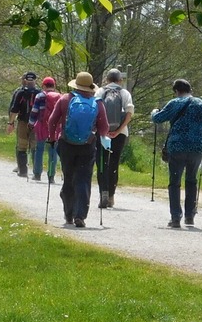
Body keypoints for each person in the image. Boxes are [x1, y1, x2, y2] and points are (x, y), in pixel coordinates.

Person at [151, 78, 202, 228]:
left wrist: (154, 111)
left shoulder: (174, 103)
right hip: (196, 149)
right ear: (190, 89)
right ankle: (190, 216)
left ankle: (175, 218)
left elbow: (158, 119)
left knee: (174, 182)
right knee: (191, 181)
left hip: (177, 147)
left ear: (176, 91)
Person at [48, 72, 109, 228]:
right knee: (83, 179)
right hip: (87, 145)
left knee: (69, 177)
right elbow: (105, 127)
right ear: (90, 87)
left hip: (66, 144)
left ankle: (68, 214)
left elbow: (52, 121)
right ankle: (80, 215)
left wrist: (52, 137)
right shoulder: (97, 103)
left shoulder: (65, 99)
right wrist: (102, 137)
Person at [97, 68, 134, 208]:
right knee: (114, 163)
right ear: (121, 80)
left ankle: (103, 193)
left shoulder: (100, 91)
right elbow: (129, 113)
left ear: (106, 79)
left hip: (102, 133)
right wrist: (118, 130)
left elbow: (97, 111)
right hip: (120, 133)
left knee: (102, 162)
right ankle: (111, 196)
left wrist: (104, 130)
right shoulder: (125, 93)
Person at [7, 71, 41, 178]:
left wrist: (10, 122)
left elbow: (14, 110)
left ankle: (22, 171)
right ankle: (37, 172)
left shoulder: (20, 93)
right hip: (36, 123)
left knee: (22, 146)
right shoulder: (40, 93)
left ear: (25, 80)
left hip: (22, 122)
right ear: (36, 80)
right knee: (35, 147)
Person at [30, 76, 62, 183]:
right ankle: (51, 176)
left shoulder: (40, 96)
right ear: (54, 86)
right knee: (53, 151)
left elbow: (35, 110)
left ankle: (37, 174)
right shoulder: (59, 97)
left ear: (43, 85)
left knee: (39, 149)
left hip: (41, 126)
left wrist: (31, 123)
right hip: (55, 127)